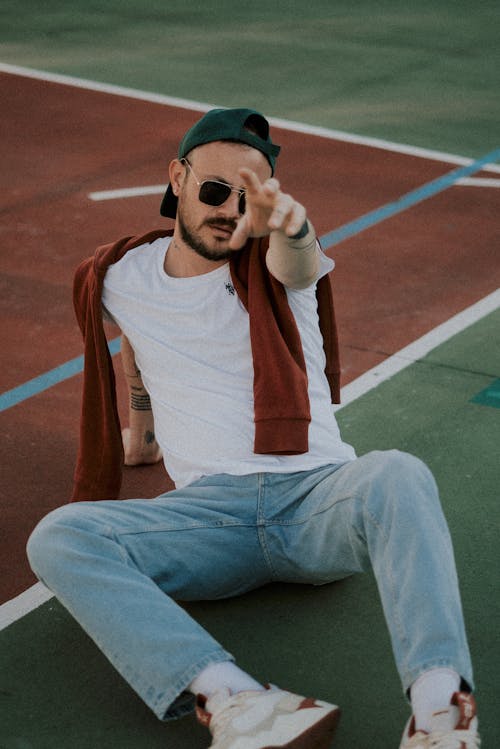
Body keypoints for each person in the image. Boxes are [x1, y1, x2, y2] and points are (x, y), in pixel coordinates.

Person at [27, 108, 479, 749]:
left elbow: (298, 261)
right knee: (60, 537)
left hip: (317, 500)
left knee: (397, 474)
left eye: (247, 201)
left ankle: (442, 713)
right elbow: (138, 339)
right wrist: (141, 429)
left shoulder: (275, 264)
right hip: (211, 520)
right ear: (177, 178)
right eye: (215, 190)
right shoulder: (121, 277)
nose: (228, 211)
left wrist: (291, 225)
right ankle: (238, 700)